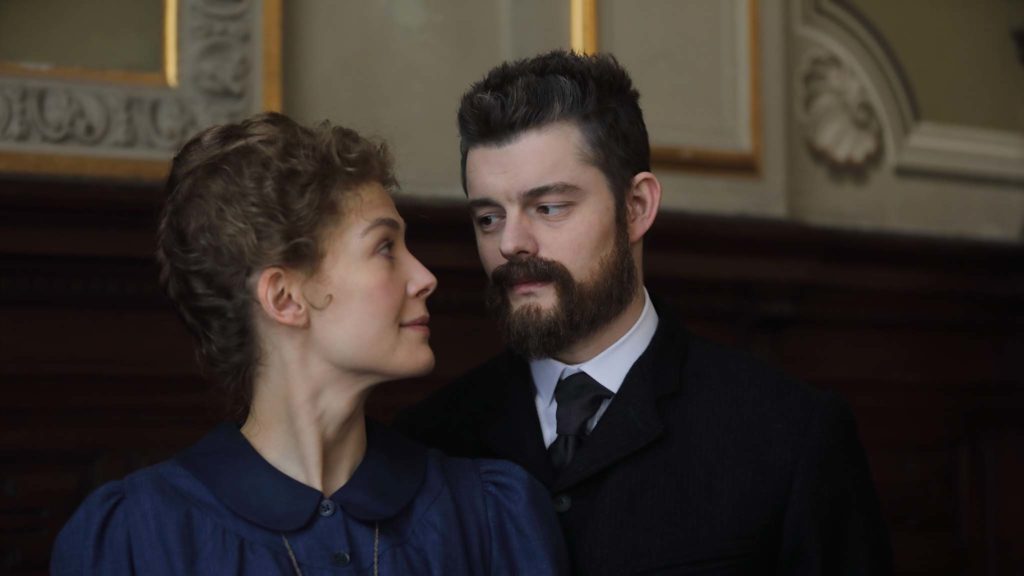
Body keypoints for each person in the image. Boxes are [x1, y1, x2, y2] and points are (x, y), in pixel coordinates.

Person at [395, 50, 892, 575]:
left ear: (637, 208)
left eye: (549, 207)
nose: (512, 243)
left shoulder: (790, 434)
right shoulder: (427, 442)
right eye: (489, 217)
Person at [51, 113, 567, 575]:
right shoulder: (137, 539)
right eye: (385, 247)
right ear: (284, 297)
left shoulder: (490, 513)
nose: (426, 277)